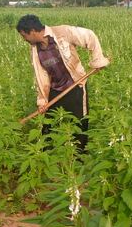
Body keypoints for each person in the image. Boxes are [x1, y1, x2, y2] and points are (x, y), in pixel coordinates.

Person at [16, 14, 110, 152]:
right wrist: (42, 101)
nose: (23, 39)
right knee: (48, 125)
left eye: (24, 35)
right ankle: (45, 154)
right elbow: (41, 76)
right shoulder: (35, 49)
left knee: (79, 122)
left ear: (33, 31)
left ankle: (79, 156)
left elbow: (89, 36)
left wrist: (98, 60)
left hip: (75, 85)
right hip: (56, 89)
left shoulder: (63, 32)